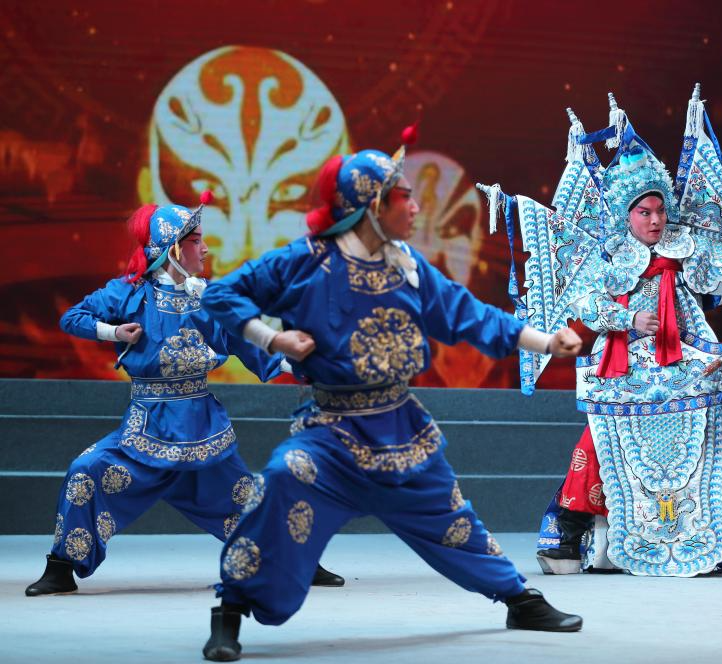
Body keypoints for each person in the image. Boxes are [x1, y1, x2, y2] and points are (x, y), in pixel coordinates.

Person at [199, 131, 585, 662]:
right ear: (372, 205)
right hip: (330, 434)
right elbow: (221, 294)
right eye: (405, 196)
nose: (416, 206)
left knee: (452, 519)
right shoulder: (305, 262)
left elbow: (468, 314)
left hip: (399, 428)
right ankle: (230, 610)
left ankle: (520, 599)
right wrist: (272, 339)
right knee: (281, 482)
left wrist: (546, 343)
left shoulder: (406, 266)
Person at [486, 86, 722, 578]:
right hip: (623, 365)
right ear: (627, 215)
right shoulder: (608, 255)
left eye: (659, 211)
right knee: (599, 446)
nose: (655, 220)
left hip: (686, 361)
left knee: (714, 448)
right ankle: (564, 541)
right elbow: (586, 303)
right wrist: (627, 319)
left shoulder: (685, 245)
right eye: (644, 213)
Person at [25, 195, 343, 596]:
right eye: (196, 240)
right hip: (147, 427)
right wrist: (114, 331)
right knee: (85, 471)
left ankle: (298, 560)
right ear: (173, 249)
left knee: (249, 495)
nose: (205, 249)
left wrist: (306, 365)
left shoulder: (209, 299)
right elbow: (73, 317)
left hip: (200, 428)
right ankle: (60, 567)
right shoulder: (128, 294)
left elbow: (251, 344)